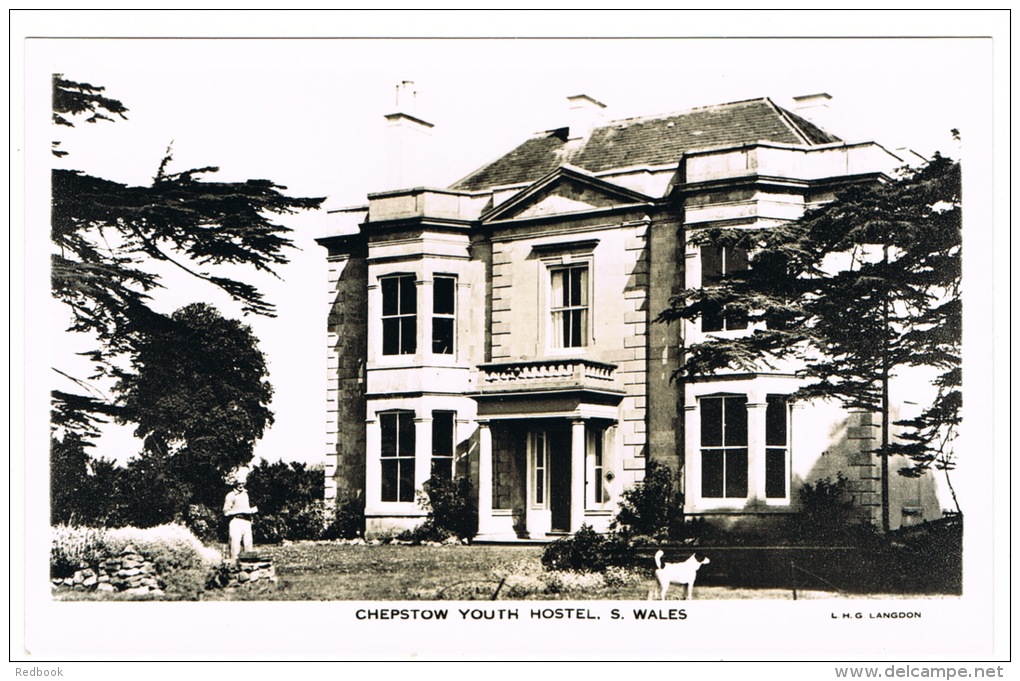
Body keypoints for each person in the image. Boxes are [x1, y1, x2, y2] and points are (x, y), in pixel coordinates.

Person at [223, 477, 258, 560]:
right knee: (235, 545)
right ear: (235, 484)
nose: (241, 485)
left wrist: (251, 514)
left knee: (248, 545)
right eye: (239, 483)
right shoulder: (230, 495)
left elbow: (251, 507)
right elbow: (226, 512)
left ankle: (248, 566)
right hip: (236, 522)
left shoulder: (246, 494)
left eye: (243, 483)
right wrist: (240, 511)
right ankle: (233, 565)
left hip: (247, 522)